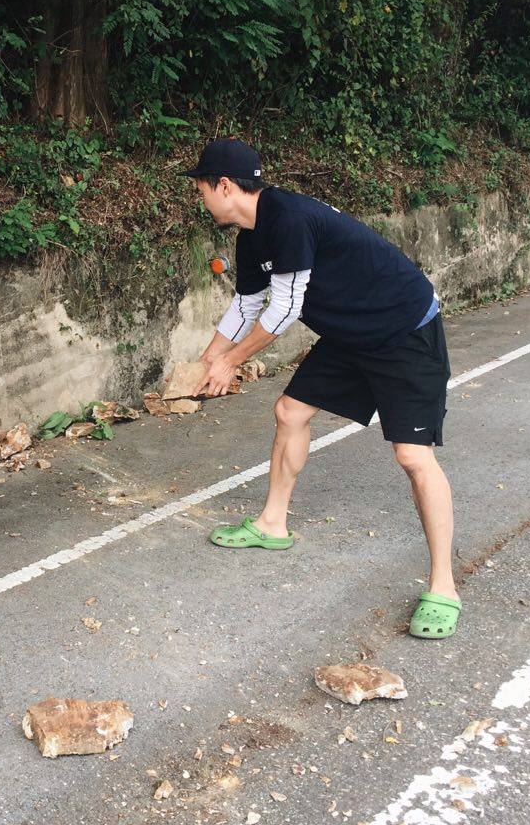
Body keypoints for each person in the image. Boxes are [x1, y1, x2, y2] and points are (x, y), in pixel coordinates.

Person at [184, 139, 461, 639]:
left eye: (201, 188)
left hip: (402, 330)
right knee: (290, 411)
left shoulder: (287, 217)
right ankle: (272, 523)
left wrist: (231, 362)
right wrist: (206, 362)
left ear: (224, 185)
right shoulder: (251, 237)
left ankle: (443, 586)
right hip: (352, 335)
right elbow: (246, 306)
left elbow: (286, 309)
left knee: (413, 456)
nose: (201, 199)